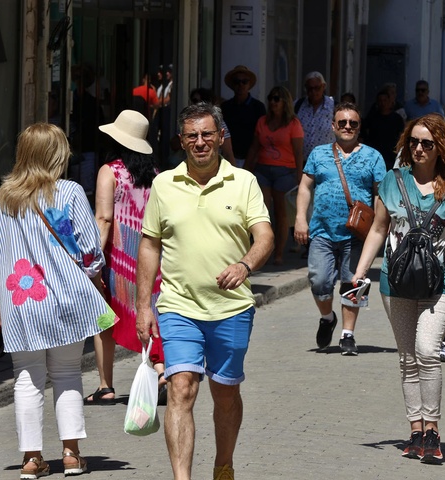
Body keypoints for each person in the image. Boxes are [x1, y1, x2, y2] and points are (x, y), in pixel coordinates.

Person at [136, 102, 273, 480]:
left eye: (207, 134)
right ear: (181, 140)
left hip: (231, 309)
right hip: (178, 306)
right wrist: (143, 305)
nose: (200, 142)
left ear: (220, 137)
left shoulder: (243, 181)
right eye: (192, 135)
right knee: (181, 389)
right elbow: (149, 245)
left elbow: (265, 236)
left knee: (225, 395)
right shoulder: (164, 184)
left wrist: (244, 265)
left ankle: (223, 464)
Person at [0, 123, 111, 479]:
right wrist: (94, 271)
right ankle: (71, 454)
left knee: (26, 377)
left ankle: (32, 459)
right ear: (58, 154)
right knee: (67, 374)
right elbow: (88, 248)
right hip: (66, 299)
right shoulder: (68, 192)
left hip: (21, 301)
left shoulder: (5, 196)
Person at [351, 113, 445, 464]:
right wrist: (360, 272)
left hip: (443, 280)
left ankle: (433, 430)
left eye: (427, 144)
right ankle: (416, 430)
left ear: (441, 148)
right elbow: (378, 228)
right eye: (413, 142)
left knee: (426, 350)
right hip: (395, 280)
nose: (418, 149)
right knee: (407, 358)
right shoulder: (392, 181)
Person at [294, 102, 386, 355]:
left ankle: (348, 334)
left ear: (359, 127)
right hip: (322, 231)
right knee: (319, 281)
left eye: (353, 123)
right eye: (342, 123)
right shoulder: (318, 154)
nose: (347, 127)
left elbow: (379, 193)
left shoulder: (373, 156)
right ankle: (327, 318)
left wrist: (378, 225)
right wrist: (300, 218)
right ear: (333, 126)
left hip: (357, 235)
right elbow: (304, 187)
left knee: (354, 282)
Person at [84, 110, 164, 405]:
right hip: (149, 257)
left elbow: (103, 218)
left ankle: (105, 386)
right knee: (149, 313)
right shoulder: (155, 173)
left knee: (104, 318)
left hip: (117, 260)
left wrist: (90, 259)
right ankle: (161, 369)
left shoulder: (110, 171)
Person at [244, 86, 304, 265]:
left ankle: (278, 253)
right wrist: (245, 169)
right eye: (270, 98)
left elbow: (298, 152)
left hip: (285, 172)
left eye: (276, 98)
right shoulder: (262, 121)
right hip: (263, 169)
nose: (272, 102)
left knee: (281, 214)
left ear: (284, 101)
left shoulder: (293, 124)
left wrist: (300, 176)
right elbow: (255, 146)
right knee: (261, 212)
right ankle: (261, 251)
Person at [221, 65, 266, 168]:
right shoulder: (225, 107)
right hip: (228, 157)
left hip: (252, 159)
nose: (240, 85)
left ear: (249, 84)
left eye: (244, 81)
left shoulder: (258, 107)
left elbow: (261, 136)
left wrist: (254, 160)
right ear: (233, 85)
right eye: (237, 82)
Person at [296, 71, 336, 161]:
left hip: (327, 161)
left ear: (323, 87)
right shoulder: (298, 105)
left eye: (317, 88)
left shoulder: (333, 106)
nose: (313, 92)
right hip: (302, 161)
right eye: (310, 89)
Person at [190, 88, 236, 165]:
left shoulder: (219, 123)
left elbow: (228, 153)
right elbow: (174, 144)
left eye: (203, 101)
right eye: (195, 101)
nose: (199, 104)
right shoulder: (187, 122)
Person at [362, 87, 404, 170]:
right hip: (375, 155)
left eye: (385, 100)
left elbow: (401, 135)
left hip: (391, 156)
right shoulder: (372, 118)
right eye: (380, 101)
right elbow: (364, 131)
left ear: (390, 101)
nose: (383, 103)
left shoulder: (397, 118)